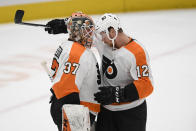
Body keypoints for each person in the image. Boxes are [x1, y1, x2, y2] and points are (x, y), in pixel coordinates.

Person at [93, 13, 154, 131]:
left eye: (102, 35)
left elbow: (147, 85)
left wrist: (118, 94)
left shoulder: (137, 52)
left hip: (131, 114)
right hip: (106, 113)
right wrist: (65, 25)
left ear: (112, 31)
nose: (101, 39)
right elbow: (87, 27)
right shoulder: (106, 43)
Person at [45, 12, 101, 131]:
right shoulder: (78, 54)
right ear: (78, 32)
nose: (91, 35)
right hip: (75, 113)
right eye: (87, 31)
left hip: (71, 108)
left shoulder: (68, 45)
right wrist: (76, 124)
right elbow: (67, 91)